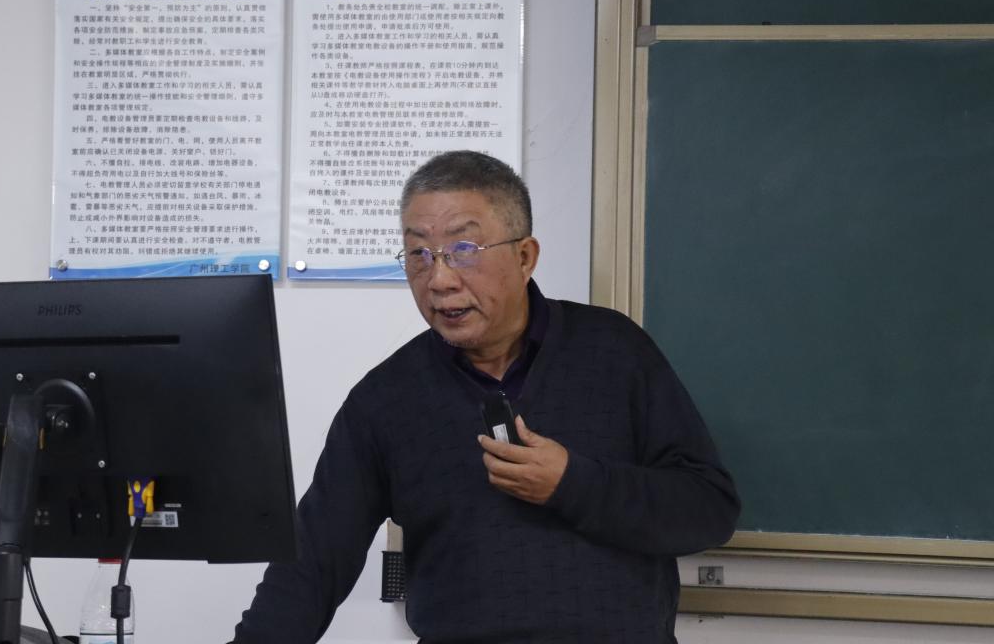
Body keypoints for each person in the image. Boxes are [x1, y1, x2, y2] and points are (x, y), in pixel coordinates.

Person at [232, 150, 739, 644]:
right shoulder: (385, 399)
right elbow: (314, 563)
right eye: (419, 255)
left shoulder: (615, 351)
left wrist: (573, 483)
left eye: (464, 250)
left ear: (524, 256)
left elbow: (708, 511)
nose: (440, 280)